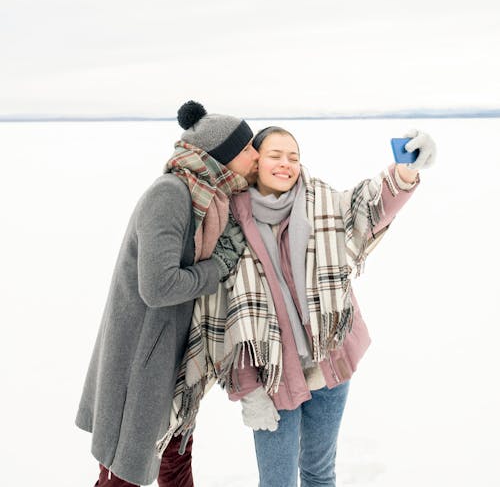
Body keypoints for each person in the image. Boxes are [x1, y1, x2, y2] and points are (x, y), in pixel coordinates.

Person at [167, 125, 436, 487]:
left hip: (330, 364)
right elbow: (226, 312)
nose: (286, 164)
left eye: (293, 157)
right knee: (277, 481)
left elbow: (370, 205)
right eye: (275, 156)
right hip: (273, 375)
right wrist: (249, 391)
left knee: (319, 473)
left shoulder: (320, 202)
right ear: (256, 163)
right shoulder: (230, 224)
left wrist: (406, 171)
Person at [75, 100, 259, 487]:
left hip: (174, 355)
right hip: (141, 356)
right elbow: (158, 287)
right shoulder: (171, 194)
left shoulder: (212, 198)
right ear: (219, 156)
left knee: (175, 457)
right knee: (122, 471)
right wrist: (217, 267)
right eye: (246, 150)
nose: (255, 156)